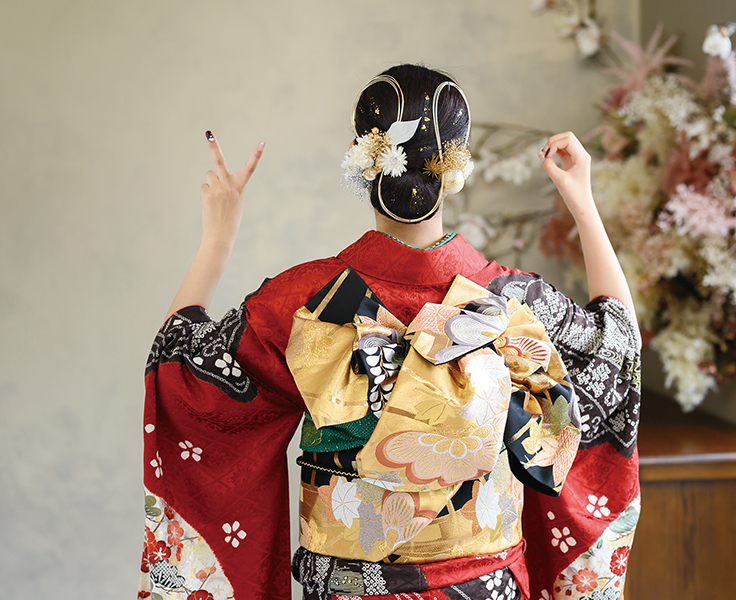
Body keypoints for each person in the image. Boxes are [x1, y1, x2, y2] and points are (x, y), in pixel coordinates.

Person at [139, 65, 641, 600]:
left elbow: (181, 376)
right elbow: (616, 350)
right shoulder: (511, 301)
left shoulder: (307, 302)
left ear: (360, 158)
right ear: (456, 165)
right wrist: (583, 204)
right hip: (486, 589)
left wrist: (217, 238)